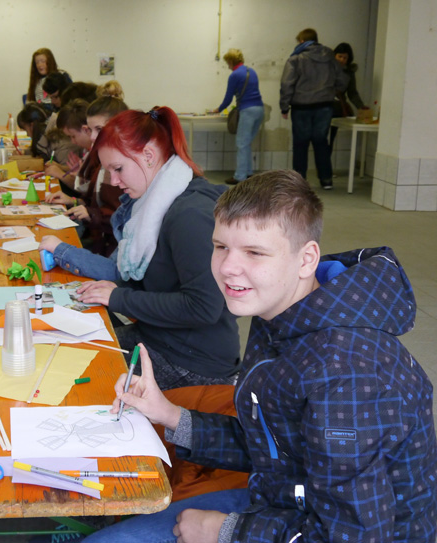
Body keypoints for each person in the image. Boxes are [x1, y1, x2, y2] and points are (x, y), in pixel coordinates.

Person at [83, 170, 437, 543]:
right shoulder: (283, 313)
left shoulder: (346, 375)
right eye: (221, 247)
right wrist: (168, 413)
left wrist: (225, 531)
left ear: (306, 259)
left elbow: (352, 535)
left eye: (254, 252)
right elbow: (276, 442)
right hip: (286, 500)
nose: (227, 267)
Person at [39, 107, 240, 389]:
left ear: (148, 155)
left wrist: (120, 298)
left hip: (192, 363)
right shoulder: (152, 203)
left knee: (68, 376)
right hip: (160, 338)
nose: (114, 181)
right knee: (61, 347)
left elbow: (203, 307)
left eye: (118, 169)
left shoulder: (189, 214)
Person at [45, 96, 127, 257]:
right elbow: (96, 202)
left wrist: (93, 214)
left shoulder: (122, 165)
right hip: (103, 242)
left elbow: (124, 218)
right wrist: (75, 201)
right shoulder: (104, 158)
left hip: (114, 249)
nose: (92, 137)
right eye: (91, 130)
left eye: (98, 129)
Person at [280, 28, 349, 190]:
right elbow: (343, 79)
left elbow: (286, 84)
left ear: (302, 41)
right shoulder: (330, 57)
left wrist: (284, 106)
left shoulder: (296, 59)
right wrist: (331, 90)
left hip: (301, 107)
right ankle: (326, 180)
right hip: (324, 106)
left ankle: (299, 183)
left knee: (300, 144)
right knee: (321, 142)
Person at [213, 48, 264, 185]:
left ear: (230, 61)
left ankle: (240, 176)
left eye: (227, 63)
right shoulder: (251, 71)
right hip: (259, 109)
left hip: (247, 110)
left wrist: (218, 109)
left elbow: (228, 98)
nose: (227, 66)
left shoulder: (235, 75)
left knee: (241, 143)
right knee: (246, 143)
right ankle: (248, 174)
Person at [330, 42, 366, 154]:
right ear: (334, 55)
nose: (342, 60)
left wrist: (362, 107)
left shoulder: (349, 72)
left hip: (337, 108)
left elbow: (352, 93)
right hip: (323, 105)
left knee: (331, 138)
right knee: (321, 138)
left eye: (345, 58)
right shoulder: (325, 68)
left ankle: (325, 166)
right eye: (339, 56)